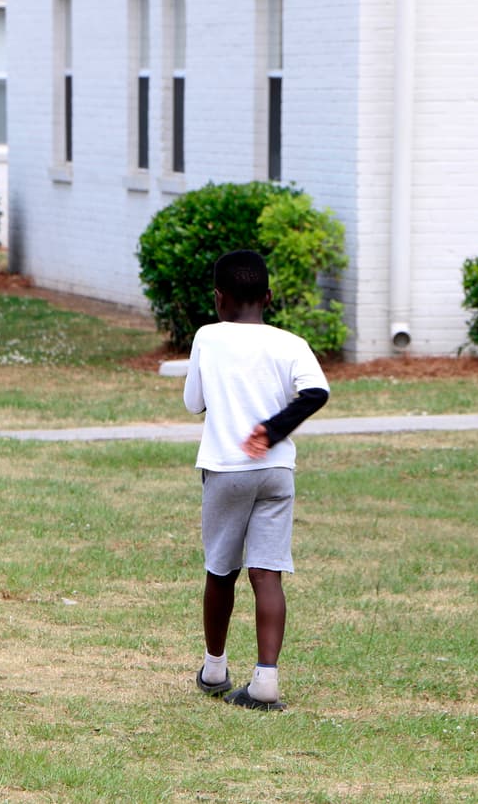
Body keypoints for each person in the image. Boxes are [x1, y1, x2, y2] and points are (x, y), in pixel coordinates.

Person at [183, 249, 330, 711]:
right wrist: (275, 429)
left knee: (221, 570)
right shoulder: (291, 343)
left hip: (226, 469)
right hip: (276, 471)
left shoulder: (208, 337)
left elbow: (194, 403)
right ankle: (266, 681)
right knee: (268, 573)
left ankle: (215, 668)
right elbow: (317, 392)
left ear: (218, 298)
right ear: (268, 297)